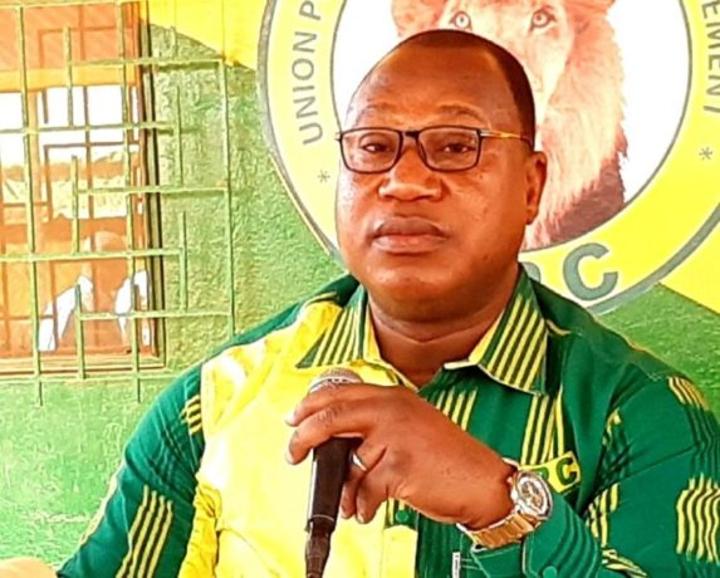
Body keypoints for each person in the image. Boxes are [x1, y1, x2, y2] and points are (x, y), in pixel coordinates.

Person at [3, 30, 718, 578]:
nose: (404, 181)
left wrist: (500, 503)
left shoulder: (643, 414)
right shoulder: (217, 403)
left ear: (531, 186)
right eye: (374, 146)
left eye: (455, 146)